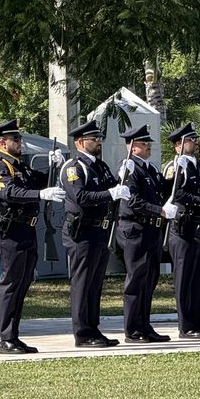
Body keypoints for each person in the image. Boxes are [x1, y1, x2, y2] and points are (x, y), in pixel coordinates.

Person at [0, 119, 66, 354]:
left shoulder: (20, 166)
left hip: (26, 230)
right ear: (2, 142)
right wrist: (41, 194)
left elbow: (39, 181)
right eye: (15, 139)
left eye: (19, 139)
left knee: (23, 283)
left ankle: (14, 336)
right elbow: (9, 192)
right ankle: (6, 339)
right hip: (10, 230)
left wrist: (54, 167)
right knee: (10, 284)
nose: (20, 143)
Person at [60, 120, 130, 348]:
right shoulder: (74, 167)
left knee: (95, 283)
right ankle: (82, 333)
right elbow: (80, 197)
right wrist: (111, 193)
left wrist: (122, 177)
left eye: (100, 138)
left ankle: (93, 328)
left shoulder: (100, 166)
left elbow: (113, 186)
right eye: (94, 139)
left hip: (100, 230)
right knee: (82, 283)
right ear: (81, 142)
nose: (99, 142)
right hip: (82, 231)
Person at [116, 124, 177, 343]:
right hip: (136, 229)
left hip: (151, 230)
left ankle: (144, 326)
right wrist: (159, 211)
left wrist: (178, 172)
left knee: (149, 280)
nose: (148, 146)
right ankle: (133, 330)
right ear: (133, 147)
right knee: (136, 280)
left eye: (149, 143)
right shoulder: (129, 168)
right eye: (144, 143)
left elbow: (163, 189)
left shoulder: (149, 169)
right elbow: (132, 201)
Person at [163, 122, 200, 339]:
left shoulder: (198, 166)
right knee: (184, 278)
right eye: (191, 140)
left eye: (195, 139)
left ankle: (197, 323)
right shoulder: (176, 166)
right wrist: (199, 200)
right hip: (183, 228)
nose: (196, 143)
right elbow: (174, 193)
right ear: (179, 144)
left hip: (199, 227)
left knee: (198, 277)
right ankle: (186, 326)